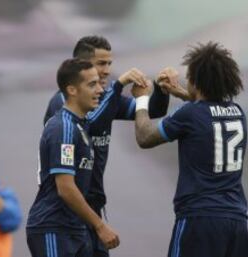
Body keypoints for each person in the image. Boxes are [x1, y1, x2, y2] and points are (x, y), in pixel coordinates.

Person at [43, 35, 170, 257]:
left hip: (92, 211)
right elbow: (89, 124)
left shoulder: (104, 98)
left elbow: (154, 111)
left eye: (109, 64)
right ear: (81, 67)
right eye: (101, 63)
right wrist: (119, 86)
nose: (107, 70)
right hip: (64, 213)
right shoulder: (64, 102)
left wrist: (159, 89)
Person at [132, 42, 248, 257]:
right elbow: (207, 110)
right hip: (237, 222)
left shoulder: (189, 114)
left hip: (199, 220)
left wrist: (141, 99)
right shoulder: (237, 112)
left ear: (197, 80)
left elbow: (144, 136)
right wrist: (180, 93)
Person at [26, 59, 120, 257]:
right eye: (91, 84)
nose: (100, 90)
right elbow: (66, 188)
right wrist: (100, 226)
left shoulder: (81, 125)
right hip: (53, 227)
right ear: (72, 90)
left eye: (98, 83)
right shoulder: (64, 128)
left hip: (75, 228)